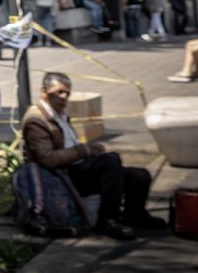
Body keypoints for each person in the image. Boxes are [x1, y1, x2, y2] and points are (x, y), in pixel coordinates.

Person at [22, 72, 166, 240]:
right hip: (60, 177)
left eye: (67, 93)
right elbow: (47, 159)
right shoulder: (36, 120)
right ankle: (107, 220)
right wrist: (83, 151)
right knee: (111, 161)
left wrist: (88, 150)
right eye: (59, 92)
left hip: (77, 166)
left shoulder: (59, 113)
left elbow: (70, 145)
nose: (63, 97)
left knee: (139, 175)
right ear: (44, 91)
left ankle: (135, 215)